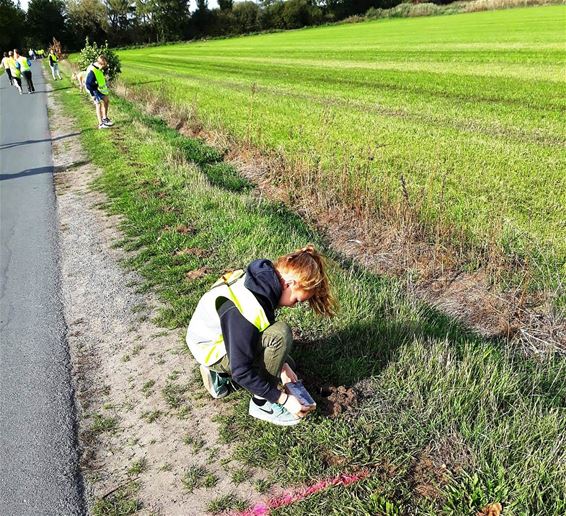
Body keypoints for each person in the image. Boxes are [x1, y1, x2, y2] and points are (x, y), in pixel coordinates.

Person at [186, 245, 336, 426]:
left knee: (286, 360)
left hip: (219, 337)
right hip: (211, 349)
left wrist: (283, 366)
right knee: (280, 335)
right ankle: (261, 404)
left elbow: (255, 328)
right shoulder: (247, 307)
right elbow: (241, 372)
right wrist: (283, 399)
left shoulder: (261, 280)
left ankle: (219, 377)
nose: (294, 305)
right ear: (289, 284)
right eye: (297, 300)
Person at [85, 55, 114, 130]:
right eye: (104, 66)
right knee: (98, 105)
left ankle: (105, 119)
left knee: (106, 100)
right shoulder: (92, 70)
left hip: (99, 89)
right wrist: (93, 94)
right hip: (93, 90)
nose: (104, 68)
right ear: (101, 63)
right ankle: (101, 124)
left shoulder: (99, 68)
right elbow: (88, 84)